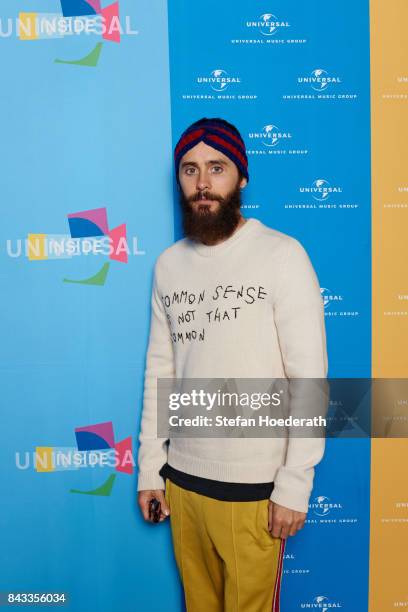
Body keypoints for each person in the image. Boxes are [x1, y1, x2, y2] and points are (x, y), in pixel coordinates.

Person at [137, 117, 328, 611]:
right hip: (183, 485)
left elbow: (309, 380)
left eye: (217, 168)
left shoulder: (282, 256)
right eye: (190, 170)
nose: (202, 184)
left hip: (255, 495)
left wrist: (294, 485)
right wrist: (150, 472)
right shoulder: (168, 265)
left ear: (241, 177)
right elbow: (162, 371)